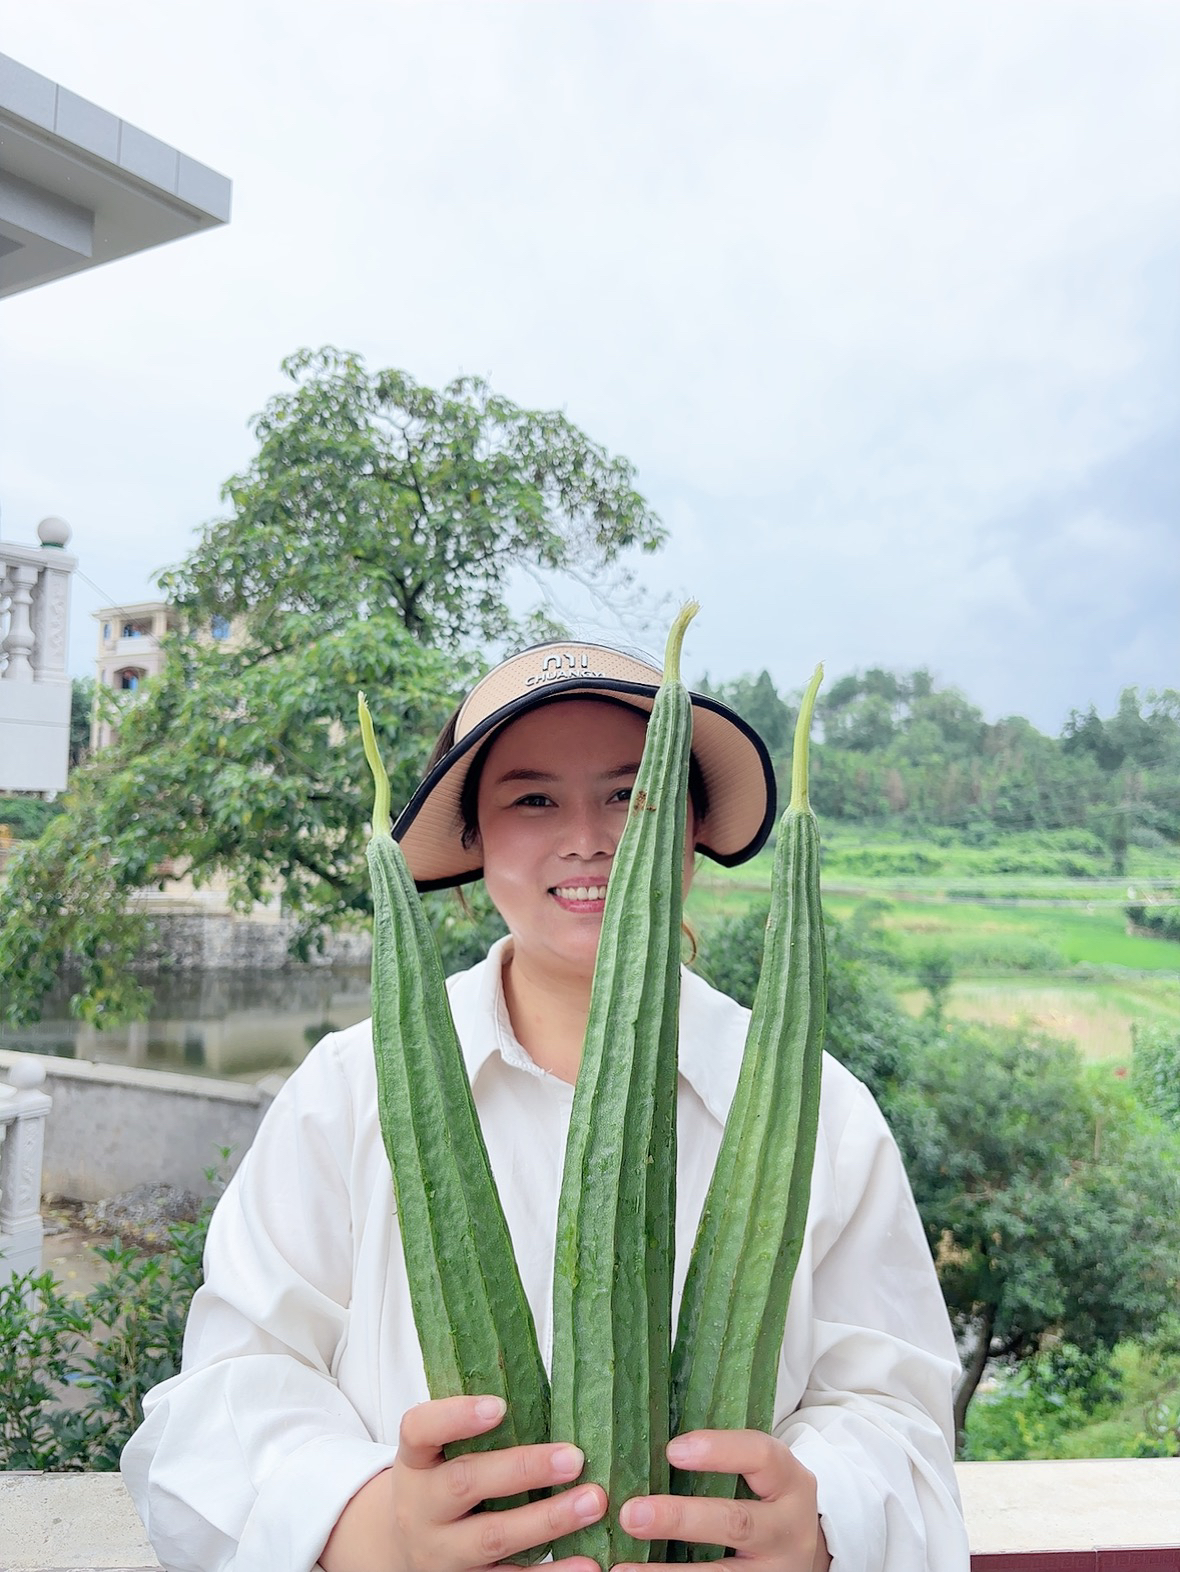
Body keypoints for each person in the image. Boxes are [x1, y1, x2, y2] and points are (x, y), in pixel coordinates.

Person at [121, 638, 969, 1572]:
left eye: (629, 792)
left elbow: (900, 1418)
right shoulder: (347, 1091)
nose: (589, 837)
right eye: (533, 798)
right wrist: (371, 1529)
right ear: (475, 838)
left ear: (688, 826)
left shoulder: (826, 1114)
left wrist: (815, 1528)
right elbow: (220, 1400)